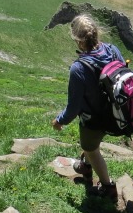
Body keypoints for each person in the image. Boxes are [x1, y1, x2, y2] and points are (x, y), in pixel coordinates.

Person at [51, 14, 123, 199]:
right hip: (118, 112)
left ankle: (108, 187)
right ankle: (85, 165)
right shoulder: (113, 50)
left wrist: (59, 120)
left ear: (77, 40)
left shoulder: (78, 68)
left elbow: (73, 108)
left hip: (95, 119)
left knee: (91, 149)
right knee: (89, 144)